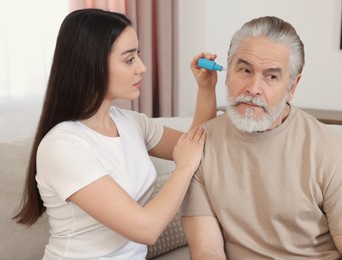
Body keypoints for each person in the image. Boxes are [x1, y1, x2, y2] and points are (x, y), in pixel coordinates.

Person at [13, 8, 218, 259]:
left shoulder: (132, 124)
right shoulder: (62, 145)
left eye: (138, 56)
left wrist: (206, 89)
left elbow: (200, 145)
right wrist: (184, 167)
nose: (142, 68)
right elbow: (146, 229)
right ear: (92, 63)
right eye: (129, 59)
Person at [180, 16, 342, 259]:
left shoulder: (327, 150)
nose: (253, 88)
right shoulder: (199, 148)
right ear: (227, 74)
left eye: (271, 76)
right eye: (245, 70)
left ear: (292, 86)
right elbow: (207, 251)